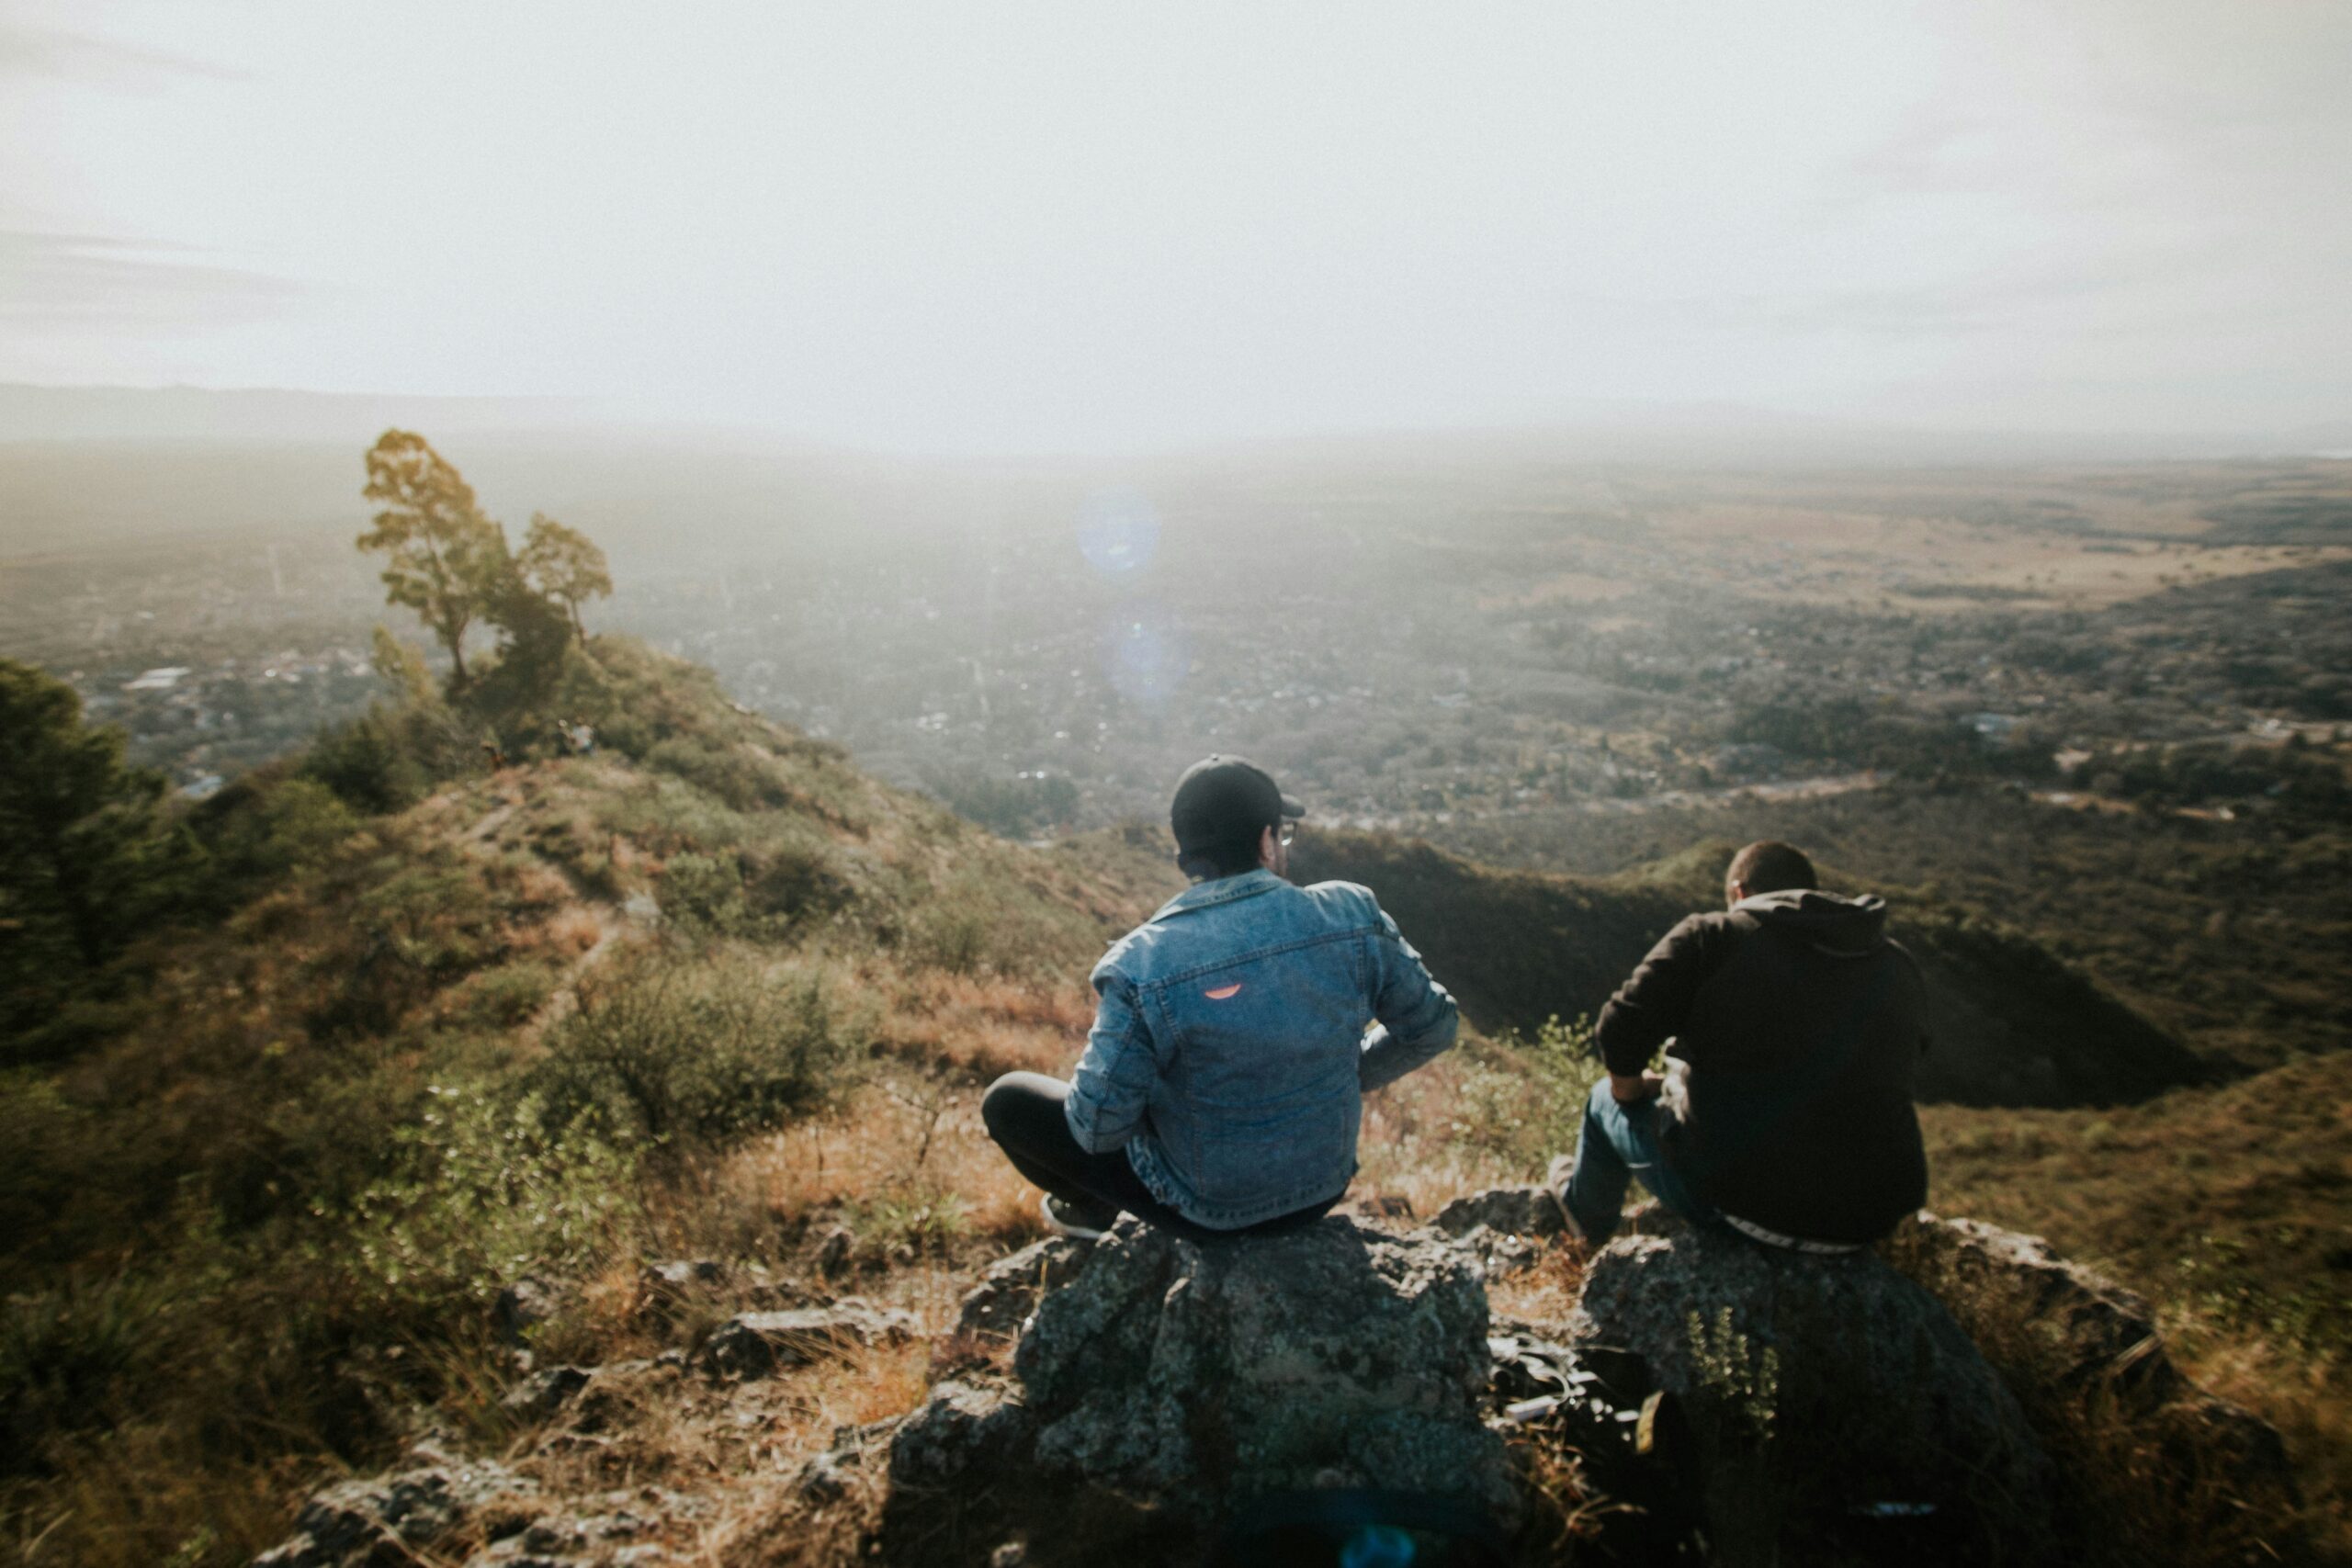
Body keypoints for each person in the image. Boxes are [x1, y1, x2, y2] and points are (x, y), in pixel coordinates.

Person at [981, 754, 1460, 1242]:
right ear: (1265, 842)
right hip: (1322, 1189)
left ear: (1185, 858)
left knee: (1007, 1100)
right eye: (1282, 832)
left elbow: (1098, 1126)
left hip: (1209, 1215)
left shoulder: (1140, 962)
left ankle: (1090, 1210)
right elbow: (1434, 1026)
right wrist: (1344, 1072)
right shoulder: (1351, 913)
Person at [1552, 840, 1929, 1253]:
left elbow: (1619, 1029)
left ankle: (1584, 1224)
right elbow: (1911, 1057)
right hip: (1871, 1219)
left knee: (1603, 1097)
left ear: (1739, 891)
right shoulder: (1894, 962)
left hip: (1741, 1206)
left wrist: (1631, 1095)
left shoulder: (1713, 937)